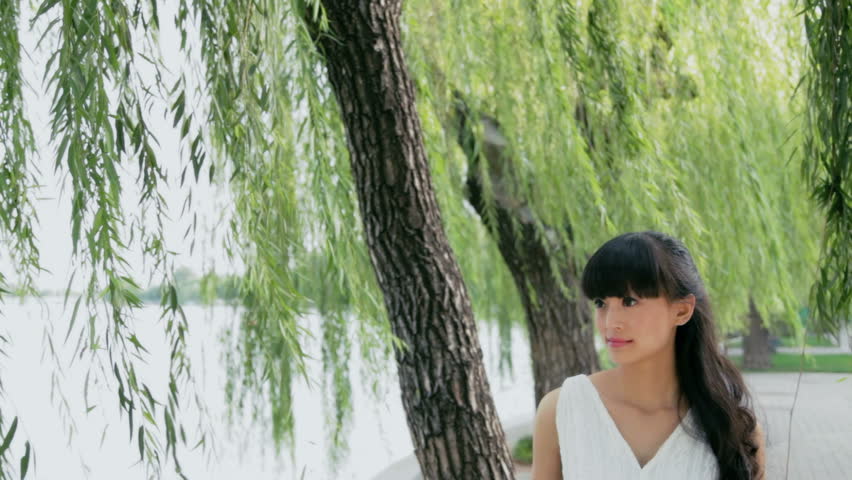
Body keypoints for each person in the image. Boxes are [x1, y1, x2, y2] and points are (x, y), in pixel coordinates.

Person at [531, 231, 765, 479]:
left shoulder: (732, 427)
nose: (611, 323)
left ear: (682, 311)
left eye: (629, 302)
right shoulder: (562, 409)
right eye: (601, 303)